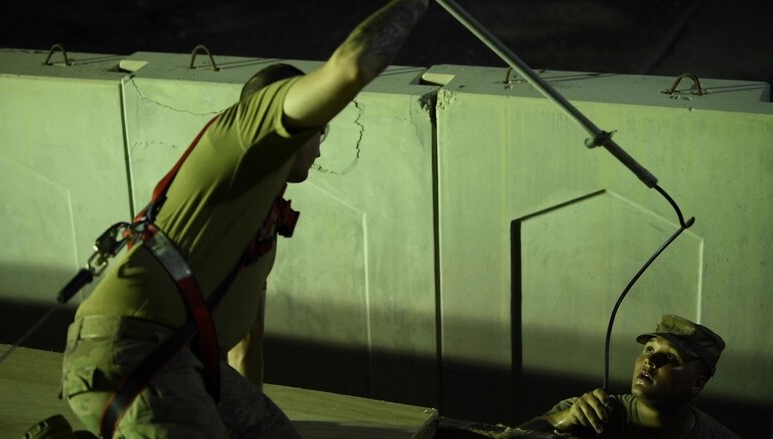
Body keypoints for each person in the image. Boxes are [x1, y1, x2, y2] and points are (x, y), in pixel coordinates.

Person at [60, 1, 431, 438]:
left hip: (183, 357)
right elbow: (351, 67)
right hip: (133, 349)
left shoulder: (262, 213)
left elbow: (245, 338)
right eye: (320, 128)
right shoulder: (250, 132)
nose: (320, 145)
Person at [519, 314, 739, 438]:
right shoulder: (593, 412)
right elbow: (511, 436)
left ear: (697, 383)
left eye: (670, 358)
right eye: (649, 349)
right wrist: (563, 420)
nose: (650, 361)